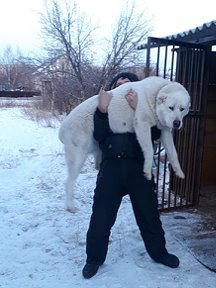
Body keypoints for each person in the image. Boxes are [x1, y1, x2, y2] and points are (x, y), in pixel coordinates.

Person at [82, 72, 179, 279]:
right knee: (101, 216)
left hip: (139, 168)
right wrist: (102, 110)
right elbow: (99, 136)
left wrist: (139, 109)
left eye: (129, 84)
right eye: (119, 85)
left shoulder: (147, 108)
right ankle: (94, 259)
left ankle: (159, 253)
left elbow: (154, 135)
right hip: (111, 170)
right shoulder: (104, 107)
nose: (125, 88)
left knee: (149, 215)